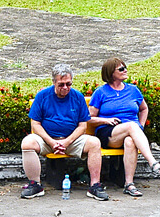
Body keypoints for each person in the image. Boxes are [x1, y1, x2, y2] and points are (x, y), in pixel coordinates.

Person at [19, 63, 109, 201]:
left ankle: (95, 185)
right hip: (47, 139)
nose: (65, 88)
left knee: (94, 143)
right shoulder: (42, 96)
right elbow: (35, 124)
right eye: (61, 84)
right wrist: (51, 142)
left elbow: (82, 126)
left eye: (68, 84)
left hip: (71, 139)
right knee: (27, 143)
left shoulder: (77, 97)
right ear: (54, 82)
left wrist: (67, 142)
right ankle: (35, 184)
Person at [88, 58, 160, 197]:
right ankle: (153, 162)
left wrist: (140, 127)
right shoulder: (101, 92)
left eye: (125, 67)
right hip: (109, 132)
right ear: (111, 73)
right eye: (121, 69)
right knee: (131, 126)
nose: (125, 71)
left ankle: (129, 184)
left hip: (131, 131)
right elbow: (90, 118)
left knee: (130, 141)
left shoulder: (133, 90)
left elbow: (144, 109)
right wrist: (106, 120)